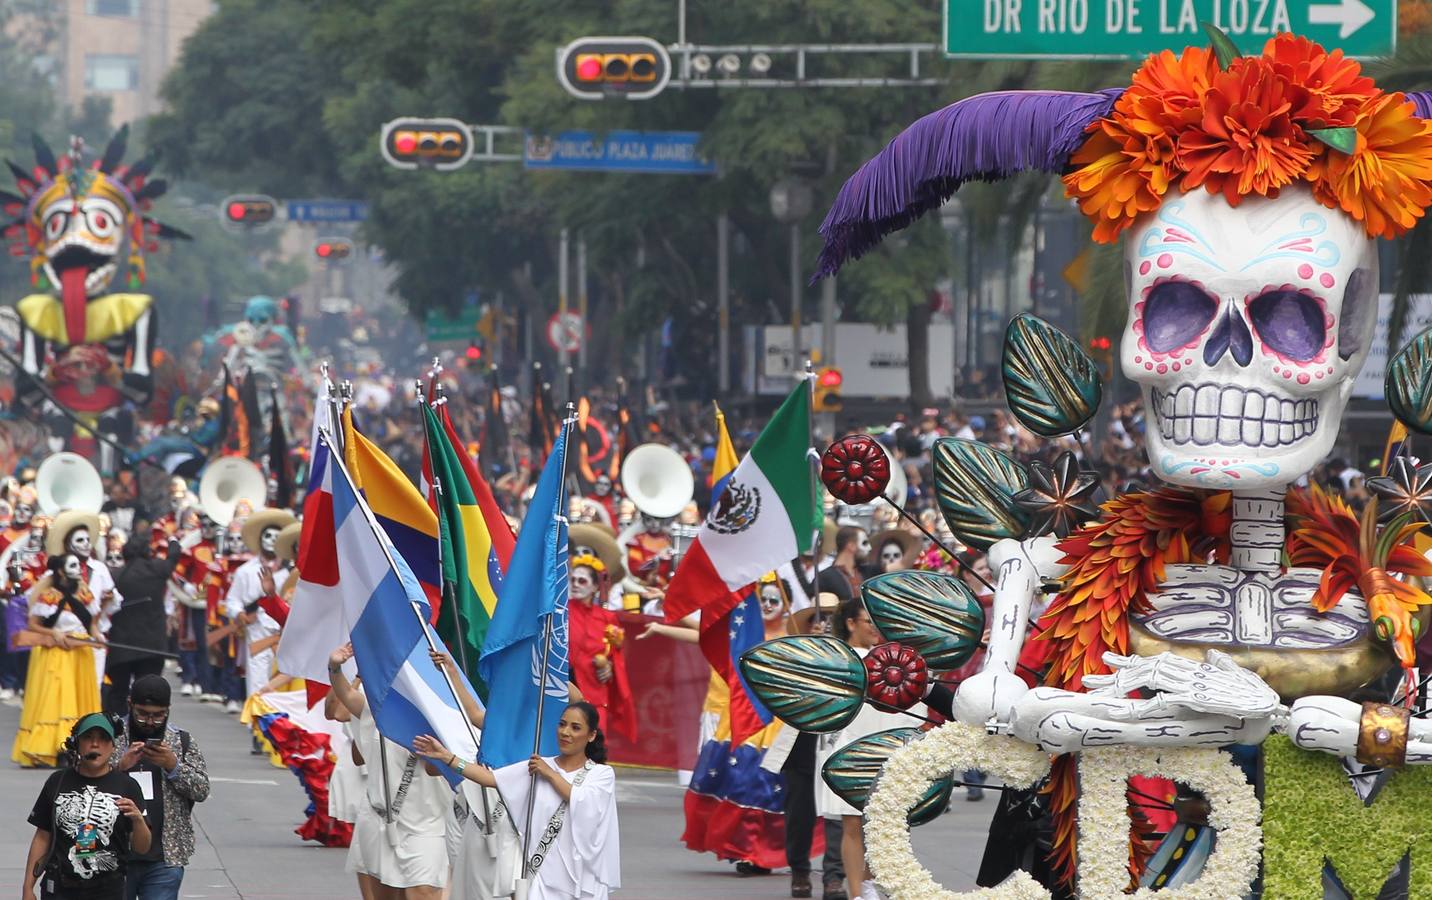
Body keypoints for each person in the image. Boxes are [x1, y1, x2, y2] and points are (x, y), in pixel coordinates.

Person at [413, 701, 621, 900]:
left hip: (582, 880)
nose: (565, 732)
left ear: (591, 735)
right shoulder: (538, 765)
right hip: (541, 878)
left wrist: (550, 775)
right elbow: (490, 778)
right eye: (562, 724)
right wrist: (447, 757)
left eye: (575, 728)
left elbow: (584, 802)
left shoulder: (600, 774)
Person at [328, 643, 449, 900]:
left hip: (424, 824)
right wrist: (335, 666)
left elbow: (434, 769)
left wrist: (437, 751)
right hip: (379, 819)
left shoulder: (440, 716)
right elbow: (344, 700)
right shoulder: (375, 708)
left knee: (423, 891)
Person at [23, 712, 151, 900]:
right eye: (88, 738)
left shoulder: (127, 786)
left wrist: (138, 820)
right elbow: (42, 836)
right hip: (60, 887)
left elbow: (142, 847)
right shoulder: (57, 781)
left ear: (113, 745)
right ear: (76, 743)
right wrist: (28, 888)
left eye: (103, 739)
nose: (95, 744)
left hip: (108, 889)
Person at [112, 675, 210, 900]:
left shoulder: (181, 741)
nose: (149, 722)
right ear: (130, 704)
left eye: (158, 715)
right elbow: (87, 783)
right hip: (116, 854)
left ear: (168, 710)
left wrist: (173, 765)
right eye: (142, 714)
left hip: (165, 856)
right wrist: (119, 767)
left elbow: (202, 789)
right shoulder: (112, 737)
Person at [12, 554, 103, 767]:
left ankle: (79, 748)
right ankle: (55, 748)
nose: (78, 569)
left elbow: (91, 622)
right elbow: (33, 624)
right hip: (55, 653)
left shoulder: (84, 593)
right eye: (72, 566)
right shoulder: (49, 595)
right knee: (57, 698)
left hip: (80, 652)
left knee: (77, 698)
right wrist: (53, 632)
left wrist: (97, 635)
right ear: (61, 571)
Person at [221, 508, 294, 711]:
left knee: (286, 685)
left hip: (287, 636)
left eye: (276, 537)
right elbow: (232, 601)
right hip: (259, 635)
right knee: (258, 683)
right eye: (268, 536)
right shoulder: (245, 571)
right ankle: (258, 731)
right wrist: (240, 614)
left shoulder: (292, 571)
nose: (271, 541)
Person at [104, 537, 183, 717]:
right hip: (151, 645)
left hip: (121, 644)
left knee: (118, 692)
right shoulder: (158, 569)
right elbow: (174, 556)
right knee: (148, 694)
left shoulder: (116, 575)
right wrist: (172, 540)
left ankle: (117, 731)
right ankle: (146, 731)